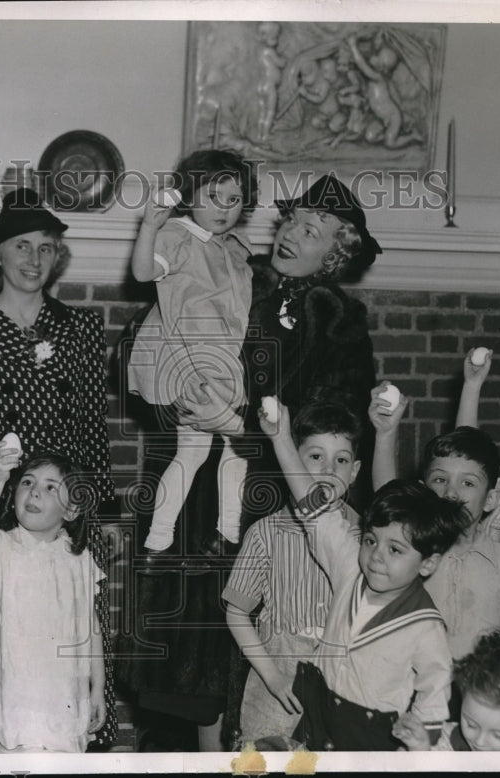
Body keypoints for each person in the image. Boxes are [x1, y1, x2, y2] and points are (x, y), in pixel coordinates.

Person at [118, 174, 380, 751]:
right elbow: (155, 353)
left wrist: (248, 430)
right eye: (291, 220)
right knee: (198, 639)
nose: (293, 235)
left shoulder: (341, 325)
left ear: (334, 252)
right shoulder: (229, 268)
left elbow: (336, 427)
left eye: (313, 231)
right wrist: (186, 401)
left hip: (285, 503)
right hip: (205, 490)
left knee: (272, 641)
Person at [0, 187, 117, 746]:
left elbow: (91, 424)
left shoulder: (78, 328)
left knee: (75, 624)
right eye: (22, 247)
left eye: (47, 248)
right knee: (6, 635)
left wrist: (95, 512)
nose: (34, 260)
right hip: (7, 502)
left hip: (65, 506)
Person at [275, 467, 468, 751]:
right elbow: (314, 508)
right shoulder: (350, 570)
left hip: (371, 746)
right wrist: (280, 438)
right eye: (370, 540)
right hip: (316, 730)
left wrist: (420, 745)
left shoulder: (424, 625)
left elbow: (434, 696)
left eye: (395, 550)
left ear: (428, 563)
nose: (376, 556)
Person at [127, 149, 258, 556]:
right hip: (189, 358)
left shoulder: (234, 247)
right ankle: (208, 533)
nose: (223, 209)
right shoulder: (178, 236)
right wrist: (149, 227)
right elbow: (143, 272)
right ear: (189, 196)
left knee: (212, 450)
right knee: (221, 445)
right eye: (212, 196)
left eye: (233, 200)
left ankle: (172, 539)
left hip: (220, 359)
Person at [222, 400, 363, 747]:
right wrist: (271, 676)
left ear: (355, 471)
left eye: (341, 460)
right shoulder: (265, 533)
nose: (329, 469)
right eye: (315, 457)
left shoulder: (366, 536)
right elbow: (236, 611)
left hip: (342, 682)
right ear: (291, 461)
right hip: (278, 685)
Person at [0, 439, 106, 752]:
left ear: (71, 509)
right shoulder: (0, 547)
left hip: (63, 700)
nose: (35, 491)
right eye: (27, 482)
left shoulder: (78, 558)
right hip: (13, 703)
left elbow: (91, 627)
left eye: (51, 487)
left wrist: (98, 688)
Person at [370, 384, 500, 659]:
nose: (451, 492)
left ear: (491, 499)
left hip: (481, 694)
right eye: (440, 480)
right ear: (422, 491)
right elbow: (389, 498)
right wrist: (386, 434)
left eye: (467, 483)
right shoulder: (416, 551)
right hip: (422, 689)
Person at [393, 631, 500, 751]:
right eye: (471, 724)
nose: (480, 742)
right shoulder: (449, 741)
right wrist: (419, 748)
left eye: (498, 735)